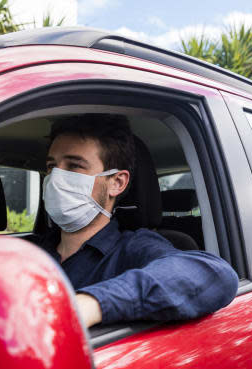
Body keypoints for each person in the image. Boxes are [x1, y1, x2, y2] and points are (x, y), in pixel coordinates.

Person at [39, 114, 239, 328]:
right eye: (52, 167)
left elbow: (217, 274)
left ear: (117, 182)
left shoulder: (135, 248)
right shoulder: (31, 251)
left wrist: (90, 304)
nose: (56, 178)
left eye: (74, 166)